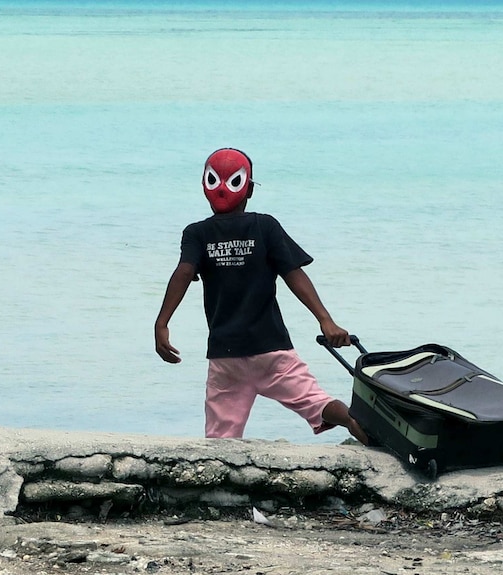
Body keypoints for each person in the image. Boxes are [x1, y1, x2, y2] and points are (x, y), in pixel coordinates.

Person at [154, 148, 367, 445]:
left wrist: (162, 323)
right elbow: (294, 274)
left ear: (206, 186)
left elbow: (182, 273)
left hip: (225, 356)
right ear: (250, 189)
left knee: (220, 441)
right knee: (317, 402)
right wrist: (325, 320)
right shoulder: (265, 226)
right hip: (272, 350)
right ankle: (353, 421)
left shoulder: (196, 234)